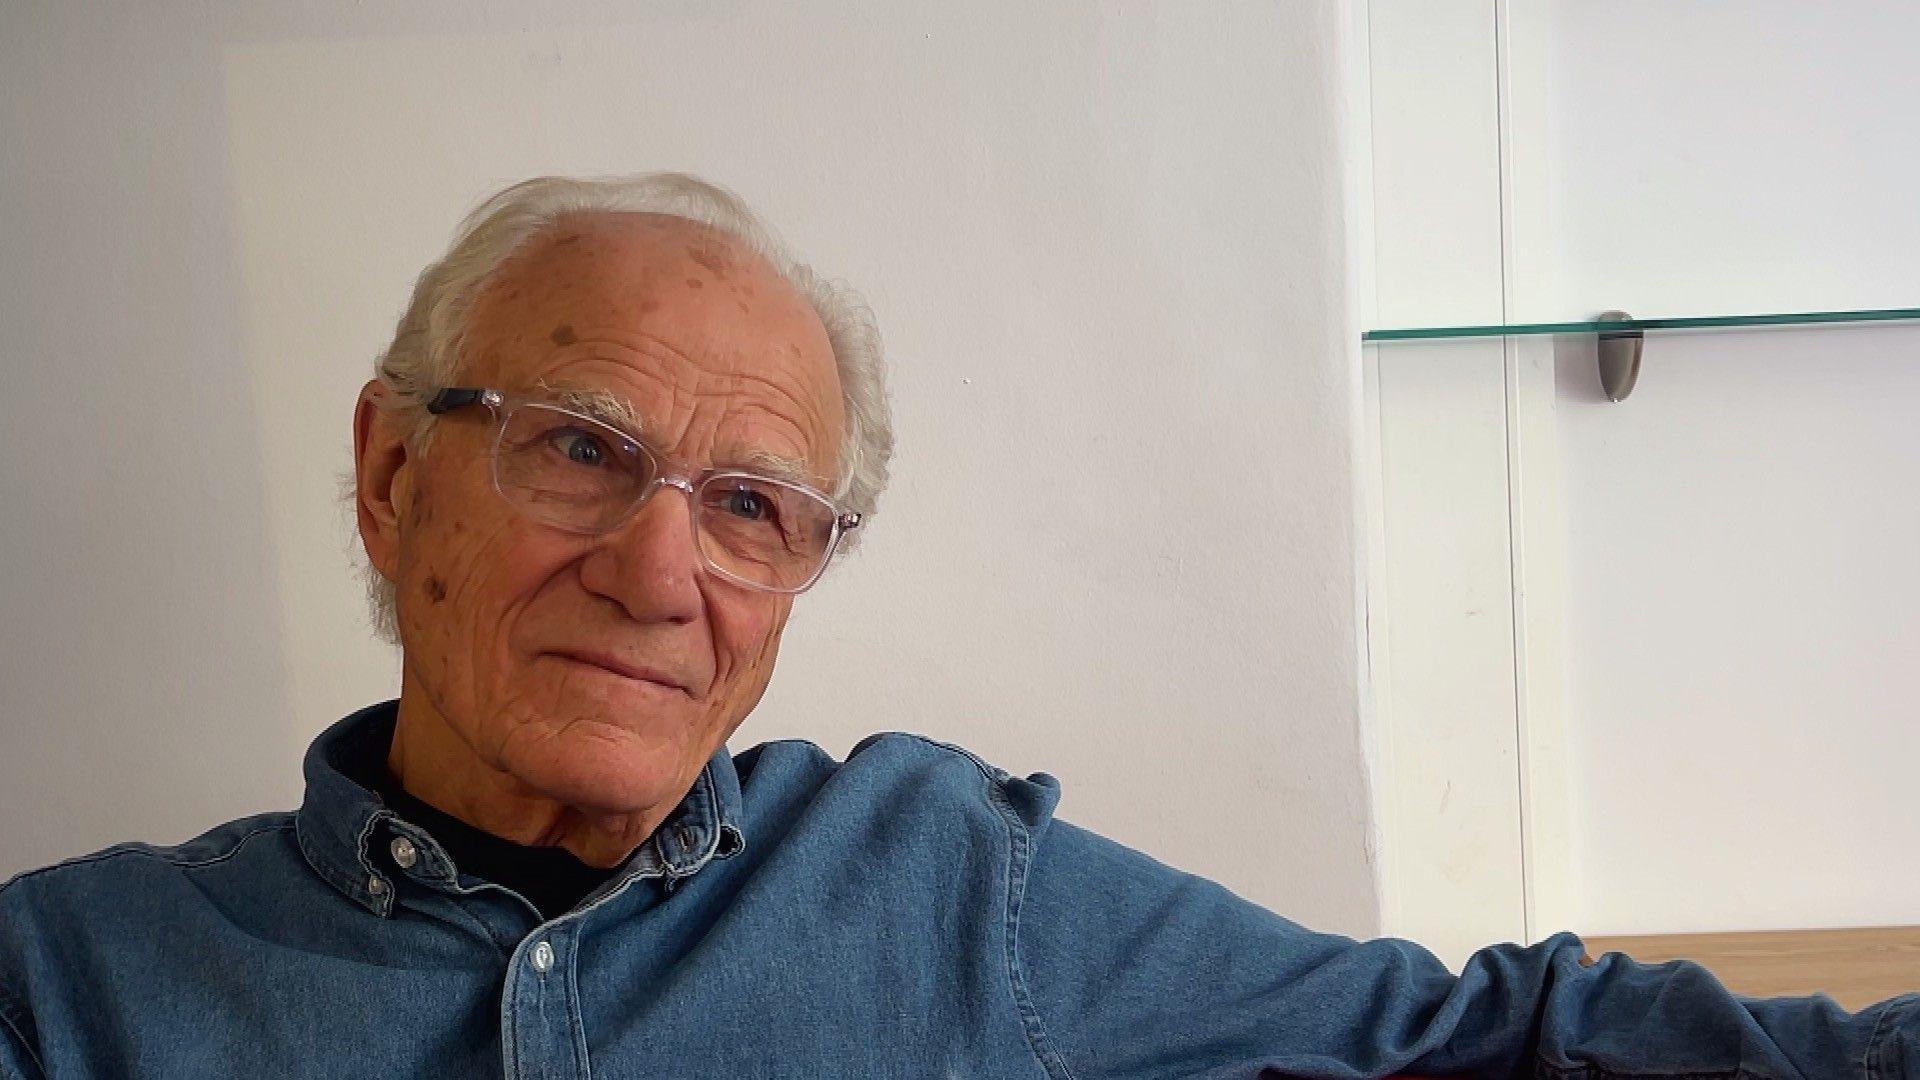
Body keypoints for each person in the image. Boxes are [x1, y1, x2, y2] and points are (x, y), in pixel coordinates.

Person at [0, 173, 1913, 1079]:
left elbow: (1475, 1042)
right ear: (393, 477)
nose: (665, 574)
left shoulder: (938, 883)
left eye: (754, 508)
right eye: (583, 450)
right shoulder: (70, 983)